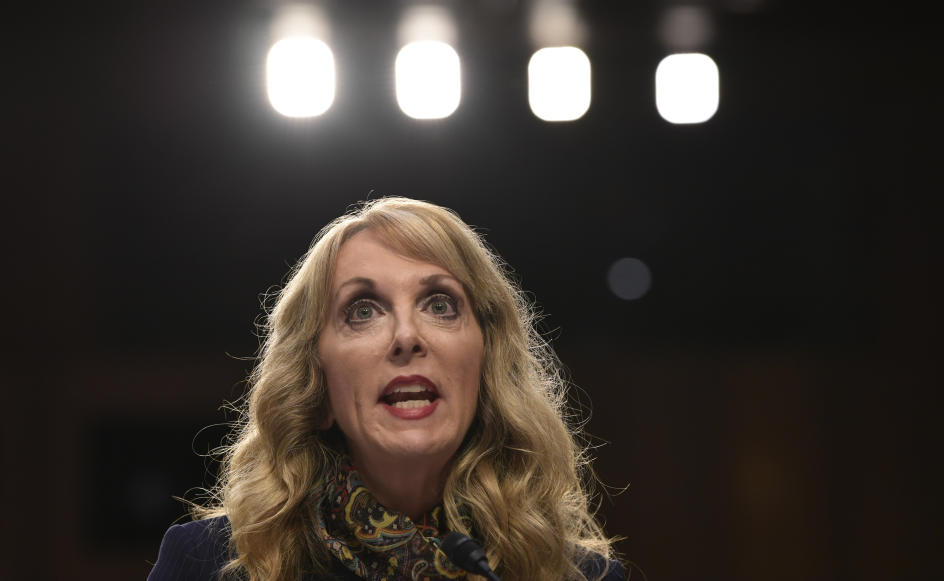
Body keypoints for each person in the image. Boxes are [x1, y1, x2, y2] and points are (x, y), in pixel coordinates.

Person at [147, 197, 624, 581]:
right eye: (362, 310)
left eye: (440, 305)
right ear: (316, 385)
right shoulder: (209, 565)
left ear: (487, 364)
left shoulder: (575, 574)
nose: (406, 337)